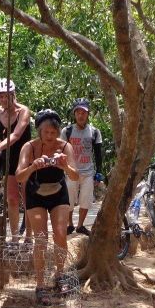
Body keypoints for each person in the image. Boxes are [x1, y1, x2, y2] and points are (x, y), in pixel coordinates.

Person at [15, 109, 80, 305]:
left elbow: (76, 176)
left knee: (60, 232)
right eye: (46, 133)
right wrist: (33, 166)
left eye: (54, 132)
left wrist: (64, 166)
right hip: (35, 194)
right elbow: (19, 176)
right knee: (40, 238)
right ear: (39, 132)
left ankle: (60, 276)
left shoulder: (65, 146)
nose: (50, 137)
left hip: (58, 191)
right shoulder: (29, 147)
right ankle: (40, 284)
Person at [0, 78, 32, 243]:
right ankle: (14, 237)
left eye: (6, 96)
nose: (3, 99)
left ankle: (29, 236)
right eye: (0, 96)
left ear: (13, 94)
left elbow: (16, 135)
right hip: (8, 158)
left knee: (27, 198)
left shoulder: (23, 111)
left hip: (25, 157)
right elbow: (2, 134)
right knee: (12, 198)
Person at [60, 98, 103, 235]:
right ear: (74, 114)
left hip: (88, 172)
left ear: (88, 114)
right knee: (69, 201)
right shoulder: (67, 131)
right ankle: (69, 224)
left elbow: (98, 154)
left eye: (83, 112)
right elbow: (60, 152)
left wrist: (99, 173)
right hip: (71, 171)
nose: (80, 115)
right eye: (78, 112)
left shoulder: (94, 132)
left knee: (85, 200)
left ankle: (80, 225)